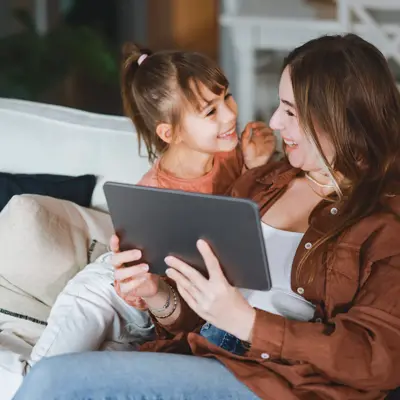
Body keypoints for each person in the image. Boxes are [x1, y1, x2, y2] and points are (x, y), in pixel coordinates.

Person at [14, 33, 400, 400]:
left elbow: (378, 359)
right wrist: (157, 293)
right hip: (204, 354)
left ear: (338, 120)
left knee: (55, 379)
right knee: (64, 368)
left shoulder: (385, 220)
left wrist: (247, 322)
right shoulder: (265, 181)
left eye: (290, 111)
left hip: (278, 383)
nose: (277, 124)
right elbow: (197, 317)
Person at [28, 44, 275, 365]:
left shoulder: (233, 158)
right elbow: (137, 286)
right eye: (210, 111)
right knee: (42, 375)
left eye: (226, 96)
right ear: (169, 133)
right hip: (110, 294)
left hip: (151, 320)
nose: (231, 114)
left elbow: (240, 239)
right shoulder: (155, 193)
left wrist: (255, 169)